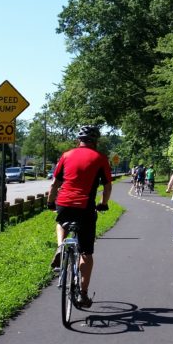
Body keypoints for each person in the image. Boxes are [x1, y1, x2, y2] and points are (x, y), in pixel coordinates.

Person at [47, 125, 113, 308]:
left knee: (60, 221)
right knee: (86, 253)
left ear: (79, 140)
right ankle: (83, 293)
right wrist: (104, 203)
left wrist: (50, 201)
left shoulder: (66, 155)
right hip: (85, 207)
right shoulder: (100, 158)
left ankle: (61, 246)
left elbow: (55, 183)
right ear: (96, 141)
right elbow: (107, 186)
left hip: (64, 203)